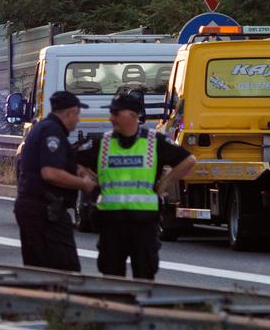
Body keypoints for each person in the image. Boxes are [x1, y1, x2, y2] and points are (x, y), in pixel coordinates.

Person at [82, 90, 197, 281]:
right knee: (111, 280)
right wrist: (89, 183)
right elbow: (72, 161)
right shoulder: (102, 143)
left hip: (143, 225)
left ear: (132, 116)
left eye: (116, 114)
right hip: (111, 224)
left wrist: (164, 184)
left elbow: (189, 160)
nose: (111, 118)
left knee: (144, 277)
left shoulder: (153, 142)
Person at [13, 90, 95, 272]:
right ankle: (55, 300)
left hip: (35, 209)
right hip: (44, 211)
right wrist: (83, 183)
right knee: (65, 269)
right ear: (70, 113)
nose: (78, 120)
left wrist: (75, 168)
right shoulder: (53, 132)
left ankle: (43, 299)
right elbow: (50, 173)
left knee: (39, 270)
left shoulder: (43, 127)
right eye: (77, 115)